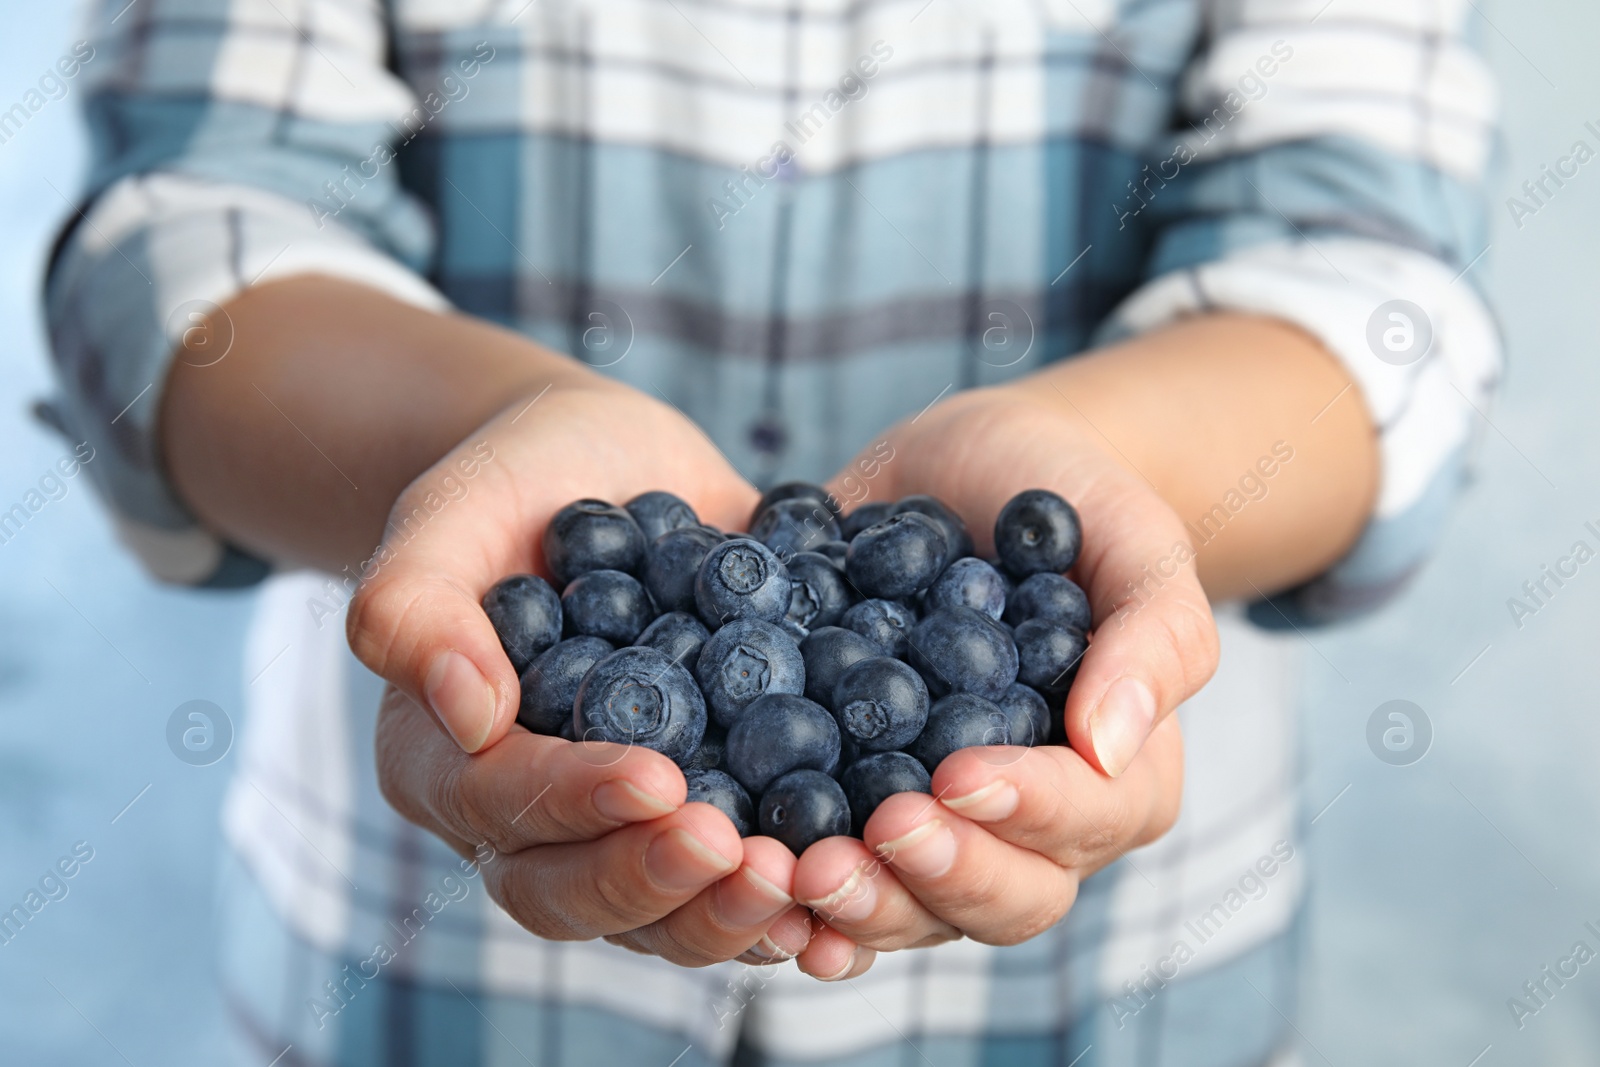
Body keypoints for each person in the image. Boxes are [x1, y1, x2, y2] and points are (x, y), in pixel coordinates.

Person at [44, 1, 1498, 1064]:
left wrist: (1113, 479)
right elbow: (190, 228)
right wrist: (459, 455)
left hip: (1126, 997)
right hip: (414, 970)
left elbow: (1373, 282)